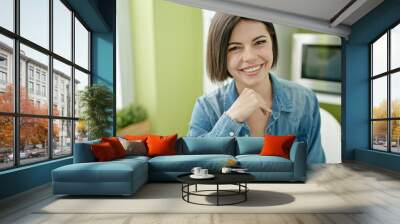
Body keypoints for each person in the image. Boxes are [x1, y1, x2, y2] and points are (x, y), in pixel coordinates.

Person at [187, 13, 325, 164]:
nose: (250, 57)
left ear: (272, 40)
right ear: (220, 54)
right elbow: (195, 169)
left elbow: (316, 170)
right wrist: (232, 119)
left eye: (259, 42)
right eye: (234, 48)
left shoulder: (305, 100)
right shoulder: (206, 108)